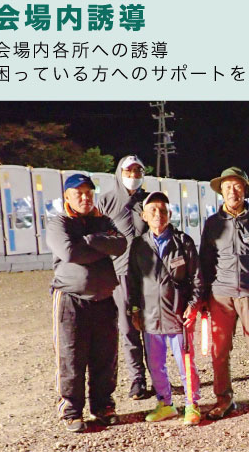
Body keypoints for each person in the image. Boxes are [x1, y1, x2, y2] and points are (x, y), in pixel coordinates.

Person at [47, 173, 127, 433]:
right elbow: (70, 252)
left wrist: (90, 241)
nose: (85, 198)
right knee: (71, 356)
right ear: (67, 196)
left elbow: (121, 244)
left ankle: (103, 406)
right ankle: (71, 410)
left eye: (89, 193)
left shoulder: (103, 220)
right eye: (78, 193)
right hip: (71, 299)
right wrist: (102, 246)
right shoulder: (59, 223)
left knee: (105, 356)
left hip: (104, 299)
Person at [199, 167, 249, 422]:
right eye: (227, 186)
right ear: (221, 191)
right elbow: (205, 261)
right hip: (220, 295)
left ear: (245, 190)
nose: (233, 191)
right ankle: (224, 399)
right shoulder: (212, 223)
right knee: (219, 351)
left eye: (237, 186)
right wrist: (203, 297)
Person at [127, 192, 205, 425]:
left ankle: (192, 404)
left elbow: (197, 278)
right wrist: (134, 310)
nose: (158, 214)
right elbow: (133, 280)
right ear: (144, 216)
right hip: (150, 316)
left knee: (185, 363)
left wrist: (193, 305)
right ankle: (165, 404)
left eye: (163, 210)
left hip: (178, 315)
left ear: (170, 214)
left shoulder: (183, 242)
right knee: (155, 365)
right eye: (152, 210)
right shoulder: (139, 245)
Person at [97, 155, 151, 400]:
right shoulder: (106, 201)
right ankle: (137, 379)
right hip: (120, 274)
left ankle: (158, 376)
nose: (134, 175)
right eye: (129, 171)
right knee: (128, 327)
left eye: (138, 171)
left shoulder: (148, 200)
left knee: (151, 327)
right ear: (120, 173)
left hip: (149, 274)